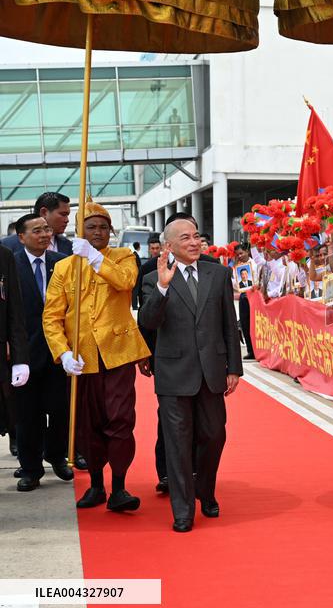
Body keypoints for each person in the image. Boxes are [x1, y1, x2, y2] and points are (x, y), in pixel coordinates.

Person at [41, 201, 150, 512]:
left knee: (120, 419)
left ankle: (120, 488)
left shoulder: (123, 257)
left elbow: (126, 282)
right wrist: (62, 352)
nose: (98, 232)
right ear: (80, 230)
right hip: (82, 357)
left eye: (103, 227)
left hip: (118, 354)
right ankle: (97, 486)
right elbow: (52, 317)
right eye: (91, 227)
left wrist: (95, 258)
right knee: (88, 424)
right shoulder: (64, 267)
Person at [138, 217, 242, 532]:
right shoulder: (153, 278)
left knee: (214, 435)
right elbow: (148, 322)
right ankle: (182, 510)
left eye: (196, 236)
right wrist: (162, 287)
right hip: (173, 373)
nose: (194, 242)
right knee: (178, 443)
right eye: (186, 238)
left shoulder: (218, 273)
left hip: (212, 371)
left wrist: (234, 367)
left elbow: (229, 322)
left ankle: (205, 491)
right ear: (169, 246)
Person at [11, 214, 71, 491]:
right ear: (21, 237)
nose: (45, 234)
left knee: (60, 410)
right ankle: (31, 469)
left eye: (46, 229)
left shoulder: (62, 263)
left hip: (60, 352)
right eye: (37, 231)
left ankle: (57, 456)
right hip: (25, 352)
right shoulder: (11, 264)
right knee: (27, 415)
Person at [0, 243, 29, 461]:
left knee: (8, 400)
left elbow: (14, 310)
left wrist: (19, 355)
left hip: (2, 346)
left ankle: (14, 434)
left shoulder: (4, 256)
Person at [1, 192, 72, 256]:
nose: (67, 220)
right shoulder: (7, 246)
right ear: (44, 212)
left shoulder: (70, 247)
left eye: (67, 215)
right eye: (63, 214)